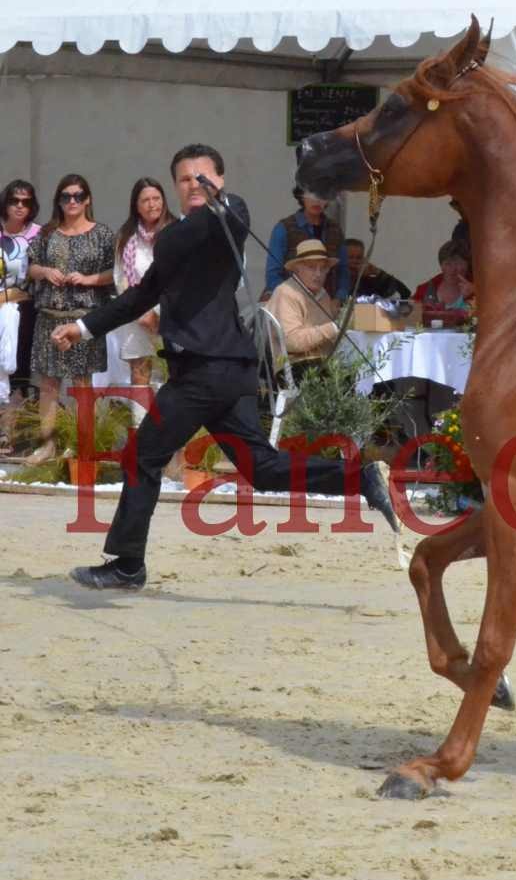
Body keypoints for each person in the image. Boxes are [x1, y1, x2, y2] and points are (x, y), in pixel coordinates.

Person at [51, 142, 397, 591]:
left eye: (203, 176)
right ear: (175, 186)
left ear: (221, 180)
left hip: (205, 373)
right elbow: (139, 297)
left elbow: (214, 221)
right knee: (262, 469)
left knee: (141, 457)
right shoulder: (180, 238)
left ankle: (126, 564)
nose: (194, 184)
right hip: (227, 373)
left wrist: (213, 205)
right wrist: (82, 326)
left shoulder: (229, 217)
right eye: (184, 178)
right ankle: (361, 477)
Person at [25, 175, 116, 465]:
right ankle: (47, 445)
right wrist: (45, 272)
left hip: (83, 321)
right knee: (48, 384)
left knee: (82, 383)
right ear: (59, 201)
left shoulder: (102, 234)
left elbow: (115, 273)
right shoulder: (48, 233)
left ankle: (82, 446)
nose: (72, 202)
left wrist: (88, 279)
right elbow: (30, 267)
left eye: (78, 196)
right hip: (50, 316)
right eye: (66, 197)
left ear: (88, 199)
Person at [111, 177, 175, 426]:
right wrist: (143, 313)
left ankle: (170, 439)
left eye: (156, 198)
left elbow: (180, 278)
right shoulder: (126, 237)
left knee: (171, 375)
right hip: (136, 317)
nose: (152, 204)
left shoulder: (176, 231)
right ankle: (142, 435)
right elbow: (121, 278)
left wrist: (159, 313)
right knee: (140, 373)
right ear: (136, 205)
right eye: (145, 200)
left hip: (170, 317)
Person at [265, 238, 341, 382]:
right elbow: (292, 341)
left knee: (366, 372)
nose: (318, 274)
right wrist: (334, 327)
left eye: (323, 268)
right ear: (298, 269)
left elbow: (330, 338)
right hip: (294, 368)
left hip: (323, 364)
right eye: (312, 267)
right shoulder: (286, 292)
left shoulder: (323, 294)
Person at [1, 179, 42, 425]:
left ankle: (10, 427)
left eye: (25, 202)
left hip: (24, 310)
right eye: (14, 201)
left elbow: (35, 279)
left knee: (18, 367)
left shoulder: (38, 235)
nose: (19, 206)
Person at [264, 186, 348, 298]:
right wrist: (293, 297)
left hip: (328, 303)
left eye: (323, 195)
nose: (317, 200)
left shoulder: (336, 230)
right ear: (301, 195)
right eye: (312, 194)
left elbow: (343, 271)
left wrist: (339, 298)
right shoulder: (283, 228)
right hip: (290, 300)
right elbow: (273, 274)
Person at [413, 240, 474, 326]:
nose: (453, 269)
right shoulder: (424, 290)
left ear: (467, 265)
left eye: (459, 263)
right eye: (448, 264)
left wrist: (475, 294)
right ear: (441, 266)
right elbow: (411, 317)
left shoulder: (477, 289)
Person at [344, 238, 410, 299]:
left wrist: (377, 272)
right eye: (350, 257)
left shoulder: (369, 283)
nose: (355, 261)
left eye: (359, 258)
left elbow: (405, 294)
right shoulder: (335, 280)